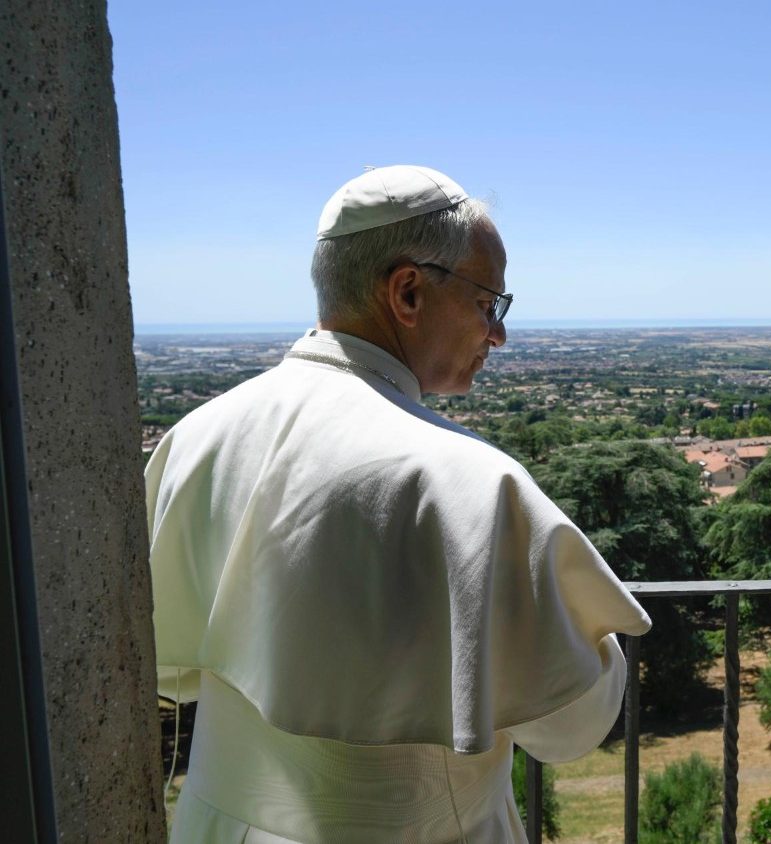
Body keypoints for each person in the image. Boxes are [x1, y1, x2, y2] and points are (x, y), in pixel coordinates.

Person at [147, 165, 651, 843]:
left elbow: (171, 672)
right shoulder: (468, 481)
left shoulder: (194, 440)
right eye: (489, 304)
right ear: (408, 292)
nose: (498, 334)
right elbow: (572, 724)